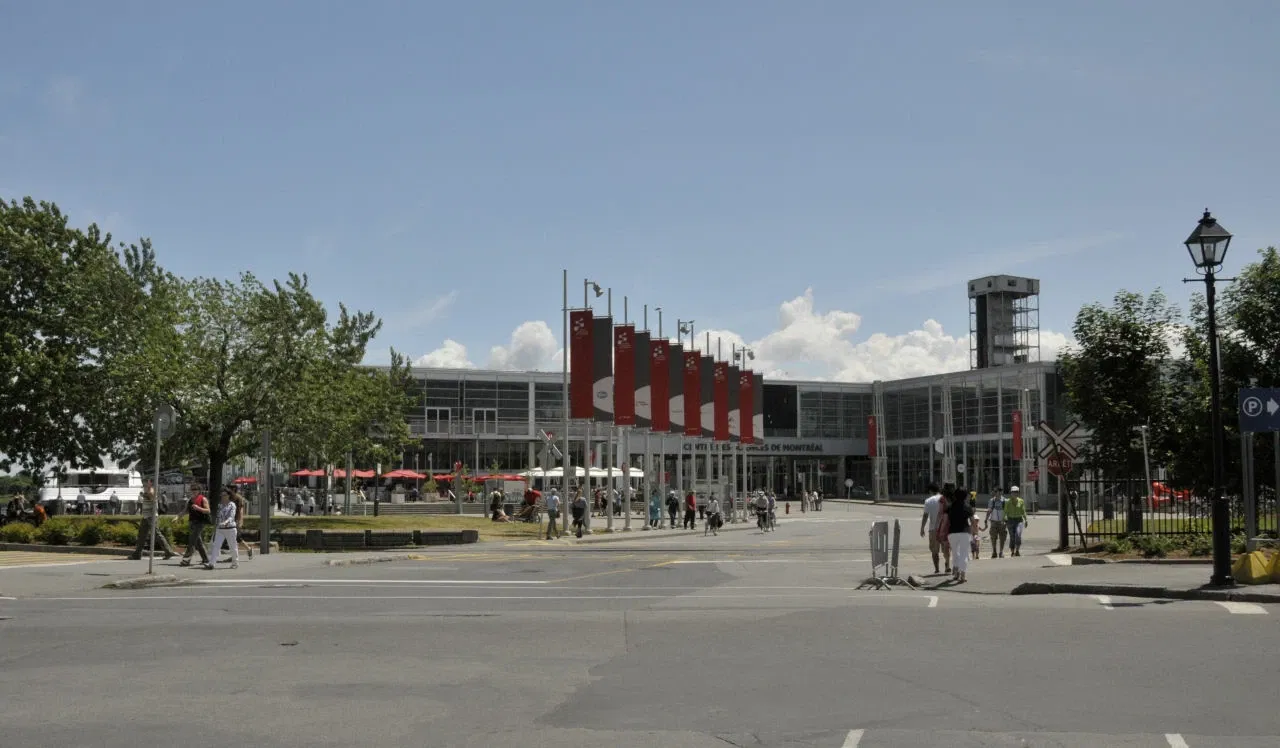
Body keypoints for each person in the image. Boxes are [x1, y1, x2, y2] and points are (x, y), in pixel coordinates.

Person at [131, 481, 175, 561]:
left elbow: (152, 497)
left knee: (156, 533)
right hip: (146, 516)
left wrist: (148, 490)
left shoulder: (151, 490)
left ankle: (168, 552)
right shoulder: (148, 490)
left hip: (151, 516)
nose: (144, 484)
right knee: (142, 535)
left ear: (150, 483)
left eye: (147, 482)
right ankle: (137, 554)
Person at [945, 486, 975, 582]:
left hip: (952, 532)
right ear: (966, 496)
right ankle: (963, 575)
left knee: (955, 553)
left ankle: (956, 572)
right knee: (964, 553)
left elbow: (945, 520)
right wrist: (973, 532)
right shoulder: (967, 507)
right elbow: (972, 521)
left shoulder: (950, 506)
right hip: (964, 532)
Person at [205, 489, 239, 570]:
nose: (223, 497)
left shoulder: (232, 505)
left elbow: (232, 516)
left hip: (230, 529)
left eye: (224, 495)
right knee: (216, 546)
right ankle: (211, 563)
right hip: (220, 529)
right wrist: (215, 526)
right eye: (222, 495)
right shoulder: (220, 505)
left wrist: (226, 522)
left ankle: (235, 563)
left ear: (228, 496)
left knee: (232, 547)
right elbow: (218, 517)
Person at [179, 487, 211, 568]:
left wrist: (198, 508)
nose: (193, 492)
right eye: (192, 490)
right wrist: (178, 517)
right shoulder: (189, 500)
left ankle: (186, 560)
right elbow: (185, 510)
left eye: (195, 490)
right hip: (192, 522)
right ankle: (206, 559)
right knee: (198, 542)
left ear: (198, 491)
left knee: (192, 540)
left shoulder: (203, 499)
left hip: (200, 522)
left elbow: (208, 510)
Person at [920, 483, 948, 574]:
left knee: (934, 551)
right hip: (944, 528)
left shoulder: (928, 501)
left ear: (930, 491)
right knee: (946, 549)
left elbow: (925, 515)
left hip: (933, 529)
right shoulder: (945, 499)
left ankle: (937, 569)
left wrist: (922, 528)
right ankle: (947, 565)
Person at [984, 487, 1009, 558]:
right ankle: (994, 551)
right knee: (993, 537)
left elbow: (1007, 511)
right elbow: (989, 511)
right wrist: (986, 520)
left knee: (1002, 537)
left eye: (996, 491)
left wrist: (1006, 520)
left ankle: (1001, 552)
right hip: (993, 521)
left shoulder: (1005, 501)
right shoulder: (992, 501)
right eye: (994, 491)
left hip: (1002, 522)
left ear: (1001, 492)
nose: (995, 493)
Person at [1005, 485, 1029, 557]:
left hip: (1019, 520)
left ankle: (1017, 550)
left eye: (1016, 492)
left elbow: (1023, 511)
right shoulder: (1007, 502)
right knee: (1012, 536)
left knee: (1018, 535)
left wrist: (1026, 519)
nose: (1015, 493)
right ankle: (1012, 551)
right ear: (1011, 493)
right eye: (1013, 492)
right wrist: (1005, 519)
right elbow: (1005, 512)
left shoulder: (1021, 501)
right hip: (1010, 520)